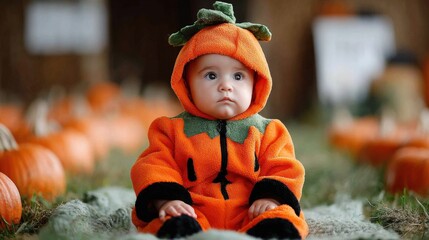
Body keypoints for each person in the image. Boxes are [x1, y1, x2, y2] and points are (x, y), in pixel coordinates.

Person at [130, 1, 308, 239]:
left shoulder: (269, 132)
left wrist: (270, 197)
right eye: (211, 75)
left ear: (257, 82)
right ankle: (180, 230)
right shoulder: (170, 130)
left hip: (252, 210)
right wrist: (167, 199)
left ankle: (271, 230)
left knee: (281, 217)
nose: (226, 86)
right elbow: (154, 166)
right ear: (187, 82)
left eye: (238, 76)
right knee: (169, 220)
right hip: (192, 210)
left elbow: (285, 168)